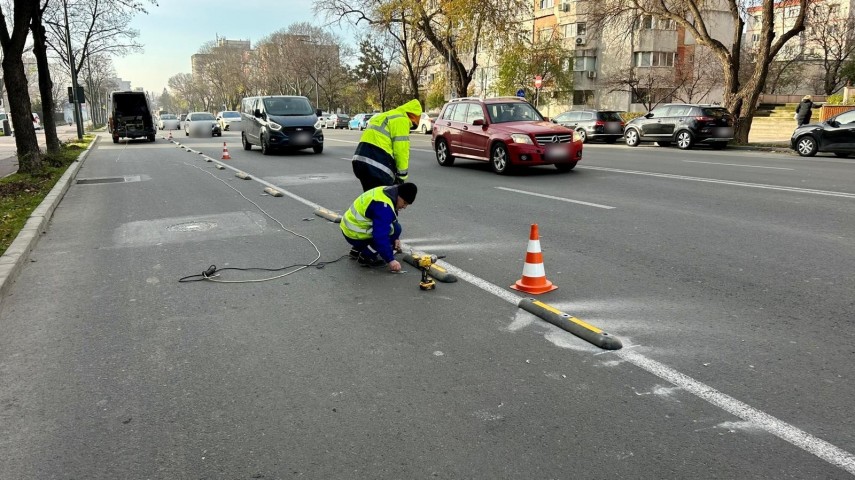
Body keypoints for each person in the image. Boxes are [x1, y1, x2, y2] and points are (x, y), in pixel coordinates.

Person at [340, 182, 417, 272]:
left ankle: (357, 250)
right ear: (399, 196)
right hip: (356, 233)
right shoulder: (383, 206)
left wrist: (396, 238)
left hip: (350, 228)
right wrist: (390, 260)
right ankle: (365, 257)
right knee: (394, 230)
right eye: (405, 203)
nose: (404, 207)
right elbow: (380, 236)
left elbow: (390, 218)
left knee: (394, 229)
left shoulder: (386, 191)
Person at [351, 99, 423, 191]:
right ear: (414, 117)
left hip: (359, 160)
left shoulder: (387, 115)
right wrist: (402, 176)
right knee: (383, 199)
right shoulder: (402, 120)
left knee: (370, 197)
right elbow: (401, 150)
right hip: (376, 163)